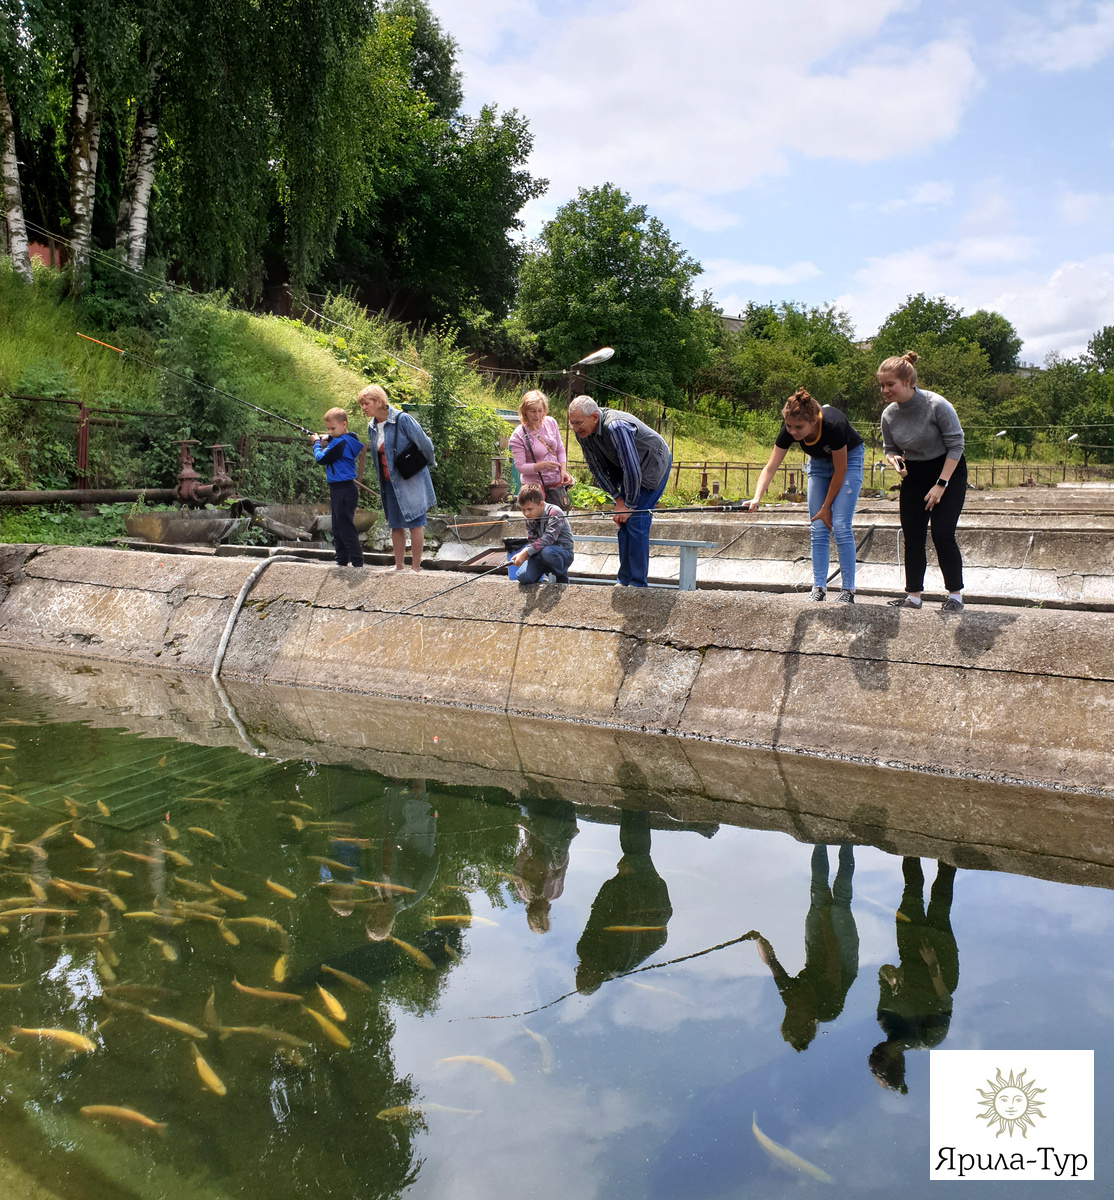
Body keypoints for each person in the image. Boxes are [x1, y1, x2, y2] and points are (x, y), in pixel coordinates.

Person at [744, 388, 864, 603]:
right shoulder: (788, 429)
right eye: (789, 426)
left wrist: (826, 506)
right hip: (818, 462)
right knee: (817, 526)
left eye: (799, 427)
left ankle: (848, 590)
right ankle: (819, 587)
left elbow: (840, 471)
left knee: (840, 525)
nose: (793, 432)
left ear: (814, 421)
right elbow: (771, 467)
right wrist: (757, 498)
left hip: (848, 460)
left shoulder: (833, 425)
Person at [878, 351, 967, 613]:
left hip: (947, 471)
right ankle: (913, 597)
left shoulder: (937, 405)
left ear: (907, 381)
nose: (885, 390)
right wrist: (894, 461)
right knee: (913, 536)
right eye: (882, 385)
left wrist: (941, 484)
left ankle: (955, 596)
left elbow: (956, 445)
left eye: (890, 384)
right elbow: (890, 448)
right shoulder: (889, 415)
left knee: (942, 533)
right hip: (914, 474)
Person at [752, 845, 859, 1052]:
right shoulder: (829, 1009)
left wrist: (758, 939)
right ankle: (848, 842)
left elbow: (771, 962)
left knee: (818, 894)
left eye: (789, 1016)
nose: (792, 1012)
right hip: (844, 960)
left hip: (816, 954)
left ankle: (820, 840)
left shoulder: (790, 998)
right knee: (840, 903)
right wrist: (825, 919)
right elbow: (834, 960)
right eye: (796, 1018)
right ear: (810, 1022)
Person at [869, 858, 959, 1094]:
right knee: (939, 904)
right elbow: (945, 1001)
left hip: (910, 954)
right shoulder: (928, 1039)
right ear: (896, 1060)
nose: (873, 1051)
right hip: (940, 967)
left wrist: (889, 973)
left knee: (911, 891)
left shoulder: (884, 1019)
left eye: (873, 1055)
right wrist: (933, 964)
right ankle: (948, 852)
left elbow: (882, 975)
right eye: (879, 1056)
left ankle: (910, 847)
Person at [567, 395, 672, 588]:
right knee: (622, 521)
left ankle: (638, 583)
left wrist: (629, 504)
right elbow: (596, 467)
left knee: (636, 519)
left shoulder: (616, 427)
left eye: (578, 423)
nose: (574, 428)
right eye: (571, 423)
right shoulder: (582, 432)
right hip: (630, 470)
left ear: (594, 418)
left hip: (652, 464)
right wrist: (618, 499)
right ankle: (624, 579)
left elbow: (632, 468)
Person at [356, 384, 436, 573]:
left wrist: (425, 466)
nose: (363, 408)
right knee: (395, 523)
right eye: (361, 404)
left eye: (366, 403)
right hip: (388, 482)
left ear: (379, 401)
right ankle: (398, 566)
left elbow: (425, 444)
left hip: (410, 479)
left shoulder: (403, 420)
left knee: (416, 523)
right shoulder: (372, 427)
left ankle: (415, 567)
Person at [311, 407, 366, 568]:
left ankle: (357, 561)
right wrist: (328, 437)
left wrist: (316, 443)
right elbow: (345, 437)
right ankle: (341, 559)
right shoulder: (347, 439)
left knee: (344, 526)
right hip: (339, 489)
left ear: (344, 424)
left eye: (333, 428)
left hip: (344, 489)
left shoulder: (339, 444)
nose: (330, 431)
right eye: (328, 429)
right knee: (337, 527)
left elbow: (322, 458)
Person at [509, 389, 574, 509]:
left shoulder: (551, 422)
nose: (537, 415)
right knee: (537, 520)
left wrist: (563, 471)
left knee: (557, 518)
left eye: (540, 411)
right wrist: (542, 465)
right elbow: (520, 467)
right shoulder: (518, 435)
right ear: (525, 411)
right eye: (533, 411)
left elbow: (560, 449)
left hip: (555, 481)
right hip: (533, 485)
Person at [509, 484, 575, 586]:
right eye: (523, 509)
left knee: (547, 551)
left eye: (530, 509)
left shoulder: (554, 512)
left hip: (562, 553)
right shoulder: (529, 519)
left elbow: (549, 538)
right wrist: (524, 555)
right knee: (523, 577)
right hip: (541, 553)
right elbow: (532, 541)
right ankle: (543, 573)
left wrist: (525, 552)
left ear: (541, 504)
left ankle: (561, 576)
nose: (526, 513)